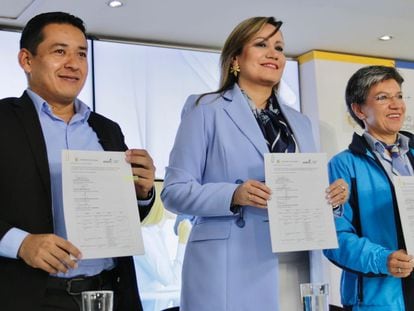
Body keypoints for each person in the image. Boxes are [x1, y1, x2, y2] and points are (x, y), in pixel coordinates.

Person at [161, 16, 348, 311]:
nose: (273, 53)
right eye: (261, 44)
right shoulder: (204, 109)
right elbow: (174, 191)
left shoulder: (301, 123)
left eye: (279, 47)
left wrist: (331, 200)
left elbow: (307, 194)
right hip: (231, 265)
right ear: (235, 58)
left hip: (299, 264)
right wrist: (233, 195)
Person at [0, 12, 155, 311]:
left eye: (81, 53)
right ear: (26, 60)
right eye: (60, 51)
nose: (74, 63)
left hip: (109, 293)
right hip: (30, 296)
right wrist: (20, 243)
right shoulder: (3, 121)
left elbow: (120, 219)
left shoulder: (108, 130)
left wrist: (141, 195)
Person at [323, 65, 414, 310]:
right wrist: (383, 260)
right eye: (383, 98)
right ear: (359, 109)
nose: (396, 105)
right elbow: (335, 238)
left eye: (399, 96)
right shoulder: (343, 165)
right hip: (378, 299)